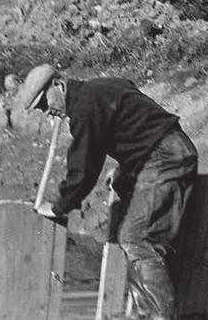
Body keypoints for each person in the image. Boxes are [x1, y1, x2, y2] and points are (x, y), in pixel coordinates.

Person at [16, 64, 197, 320]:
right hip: (168, 151)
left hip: (166, 158)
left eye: (44, 103)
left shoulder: (85, 108)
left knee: (136, 239)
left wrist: (59, 206)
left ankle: (158, 316)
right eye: (41, 110)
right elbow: (139, 123)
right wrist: (127, 166)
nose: (48, 112)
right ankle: (142, 314)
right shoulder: (101, 89)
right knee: (137, 237)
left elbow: (84, 169)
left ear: (58, 84)